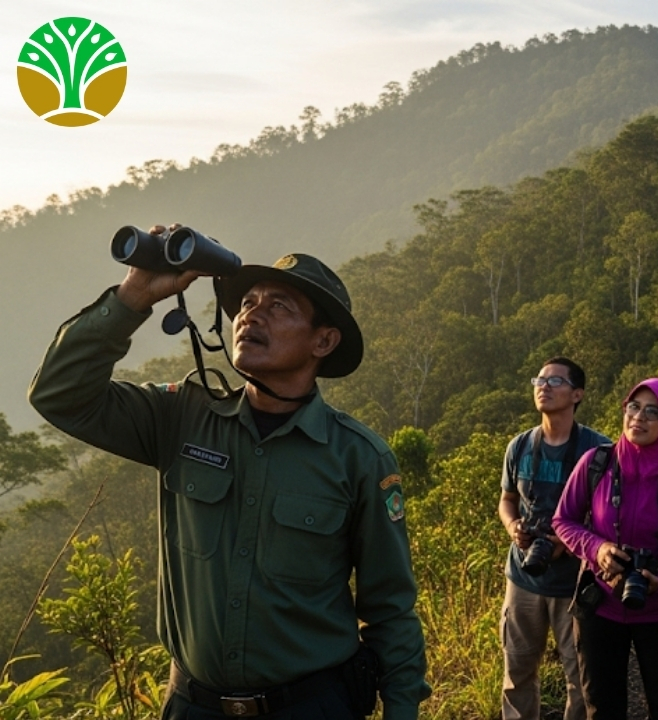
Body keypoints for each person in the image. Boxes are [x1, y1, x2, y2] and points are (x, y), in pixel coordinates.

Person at [29, 236, 430, 719]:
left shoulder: (358, 458)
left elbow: (390, 608)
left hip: (311, 707)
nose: (252, 315)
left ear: (323, 341)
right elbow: (58, 394)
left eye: (279, 306)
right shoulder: (180, 416)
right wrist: (133, 295)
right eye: (247, 303)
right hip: (192, 706)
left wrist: (402, 710)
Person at [553, 378, 658, 720]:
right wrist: (597, 548)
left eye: (653, 411)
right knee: (602, 708)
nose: (639, 417)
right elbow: (563, 519)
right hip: (600, 605)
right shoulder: (597, 462)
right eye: (634, 407)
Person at [497, 357, 610, 720]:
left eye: (555, 381)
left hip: (575, 583)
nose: (543, 386)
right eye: (540, 380)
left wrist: (568, 542)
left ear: (578, 394)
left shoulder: (598, 451)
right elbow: (507, 500)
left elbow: (611, 518)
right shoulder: (519, 446)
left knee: (579, 677)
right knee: (517, 672)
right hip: (523, 577)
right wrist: (513, 527)